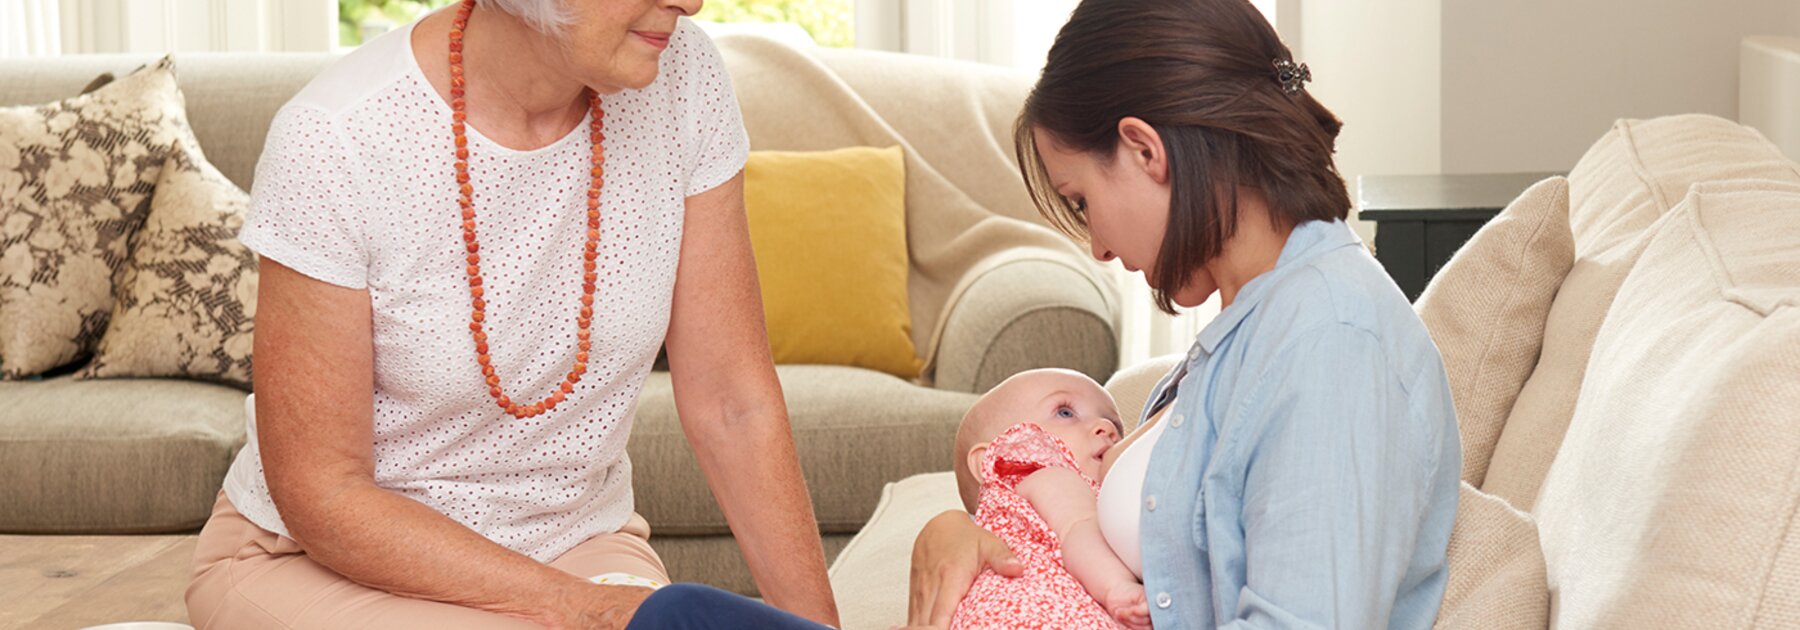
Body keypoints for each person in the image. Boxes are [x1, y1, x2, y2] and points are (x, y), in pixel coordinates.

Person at [183, 0, 839, 628]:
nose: (691, 2)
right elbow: (324, 495)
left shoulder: (682, 78)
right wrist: (581, 610)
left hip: (576, 546)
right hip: (315, 560)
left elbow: (733, 404)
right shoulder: (338, 136)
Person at [905, 0, 1463, 627]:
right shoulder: (1258, 324)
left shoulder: (1330, 344)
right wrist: (959, 525)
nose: (1099, 247)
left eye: (1082, 201)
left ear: (1145, 150)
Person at [949, 369, 1148, 630]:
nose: (1107, 428)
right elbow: (1079, 529)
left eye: (1116, 426)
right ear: (995, 457)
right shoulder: (1048, 476)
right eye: (1065, 413)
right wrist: (1118, 587)